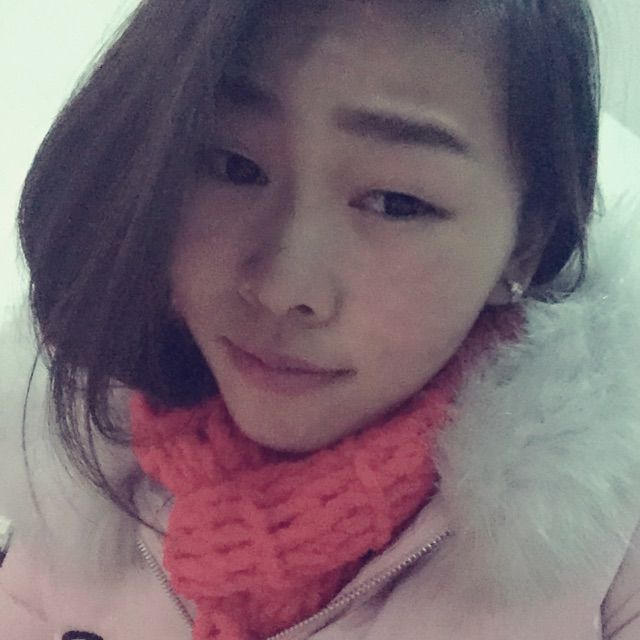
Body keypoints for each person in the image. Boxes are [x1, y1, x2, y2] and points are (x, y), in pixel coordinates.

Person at [1, 0, 640, 638]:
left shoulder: (610, 550)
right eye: (234, 166)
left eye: (396, 203)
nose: (284, 288)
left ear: (525, 242)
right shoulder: (68, 474)